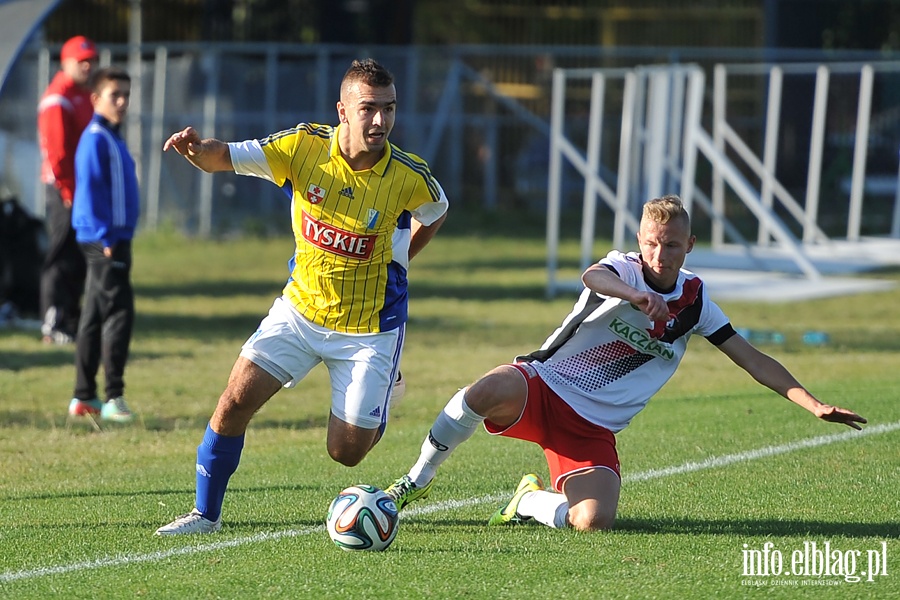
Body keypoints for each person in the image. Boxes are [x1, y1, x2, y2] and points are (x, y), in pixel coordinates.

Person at [384, 195, 866, 532]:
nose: (660, 253)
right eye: (652, 242)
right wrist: (634, 296)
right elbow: (591, 275)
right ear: (640, 238)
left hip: (592, 428)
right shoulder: (623, 268)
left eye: (672, 245)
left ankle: (528, 501)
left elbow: (753, 359)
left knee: (593, 522)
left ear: (690, 245)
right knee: (484, 392)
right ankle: (415, 482)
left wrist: (813, 404)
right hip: (544, 385)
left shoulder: (695, 304)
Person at [155, 58, 449, 535]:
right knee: (233, 401)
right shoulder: (302, 148)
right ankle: (204, 514)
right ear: (343, 110)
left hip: (368, 328)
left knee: (346, 453)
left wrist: (402, 255)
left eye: (389, 109)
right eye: (369, 109)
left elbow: (436, 209)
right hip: (299, 311)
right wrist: (196, 151)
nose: (380, 121)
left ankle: (387, 387)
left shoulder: (408, 176)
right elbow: (223, 155)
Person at [68, 67, 140, 423]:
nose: (123, 101)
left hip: (111, 240)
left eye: (126, 94)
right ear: (96, 99)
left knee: (94, 316)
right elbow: (91, 191)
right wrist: (106, 237)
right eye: (116, 94)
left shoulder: (112, 136)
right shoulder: (96, 137)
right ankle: (113, 397)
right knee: (119, 314)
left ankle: (84, 397)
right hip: (106, 242)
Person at [37, 35, 98, 344]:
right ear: (66, 62)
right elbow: (58, 154)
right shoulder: (58, 98)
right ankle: (53, 323)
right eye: (81, 61)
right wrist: (68, 192)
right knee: (61, 257)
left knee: (77, 259)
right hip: (66, 192)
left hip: (82, 191)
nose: (88, 66)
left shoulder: (83, 95)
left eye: (92, 60)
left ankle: (70, 322)